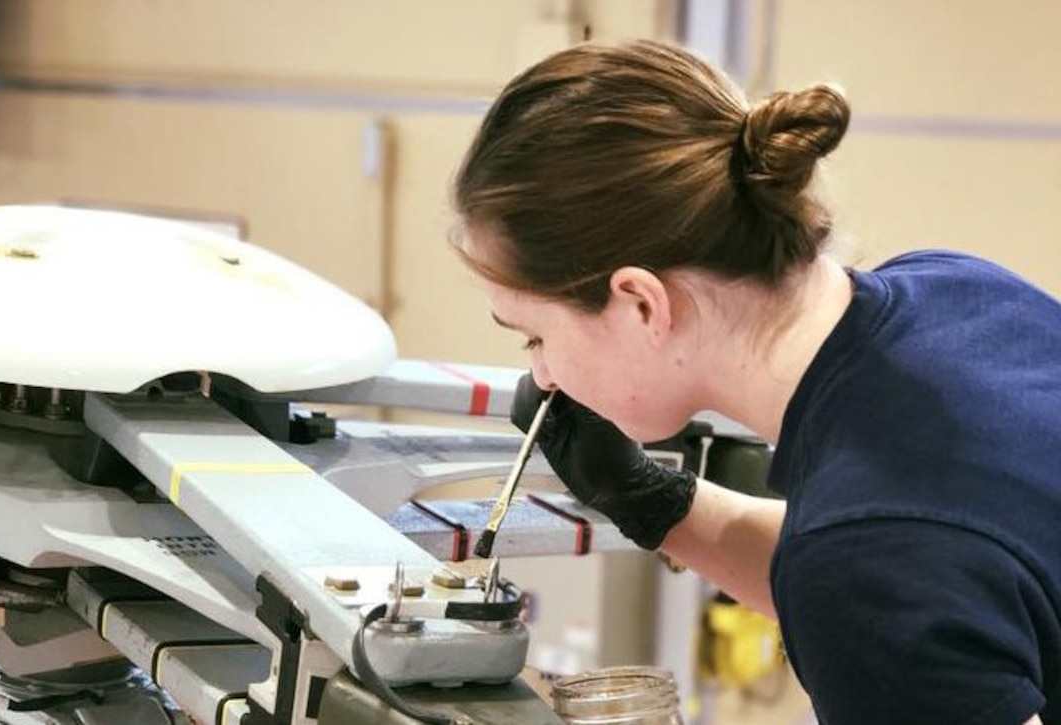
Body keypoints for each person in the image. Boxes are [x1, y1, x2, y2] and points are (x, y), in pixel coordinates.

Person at [450, 39, 1061, 725]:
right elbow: (923, 590)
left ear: (641, 303)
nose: (543, 372)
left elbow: (883, 580)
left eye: (537, 336)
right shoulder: (958, 289)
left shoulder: (863, 562)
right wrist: (657, 504)